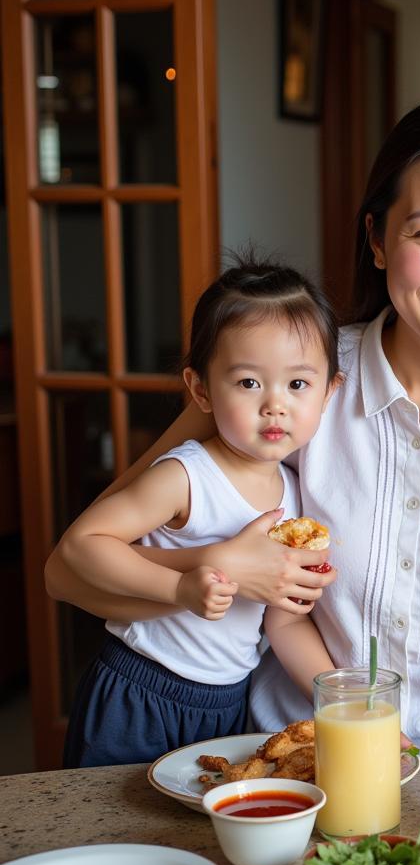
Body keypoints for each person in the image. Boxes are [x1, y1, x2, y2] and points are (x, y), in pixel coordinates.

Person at [47, 100, 420, 759]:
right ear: (376, 239)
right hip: (284, 759)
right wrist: (209, 576)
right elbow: (70, 571)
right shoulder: (283, 382)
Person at [54, 258, 339, 766]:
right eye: (249, 383)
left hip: (225, 703)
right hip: (142, 689)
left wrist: (340, 701)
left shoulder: (296, 499)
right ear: (201, 389)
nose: (275, 405)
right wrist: (179, 590)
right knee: (115, 832)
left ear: (329, 392)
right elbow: (84, 545)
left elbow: (282, 623)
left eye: (298, 385)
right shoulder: (186, 476)